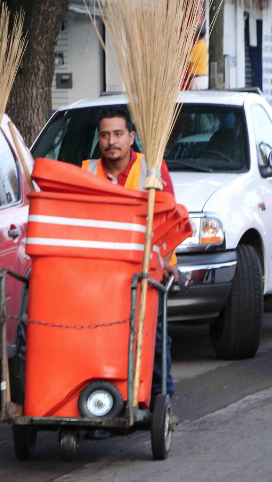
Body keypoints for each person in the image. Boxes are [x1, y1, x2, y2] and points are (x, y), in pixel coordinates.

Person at [81, 106, 179, 437]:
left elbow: (168, 219)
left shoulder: (152, 169)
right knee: (100, 337)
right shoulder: (87, 171)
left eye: (118, 134)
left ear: (132, 137)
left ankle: (159, 403)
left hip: (146, 270)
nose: (111, 141)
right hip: (100, 274)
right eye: (105, 135)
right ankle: (102, 405)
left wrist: (165, 264)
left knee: (153, 335)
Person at [188, 25, 209, 90]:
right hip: (202, 78)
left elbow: (188, 62)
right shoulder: (203, 44)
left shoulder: (198, 46)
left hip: (198, 80)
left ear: (196, 34)